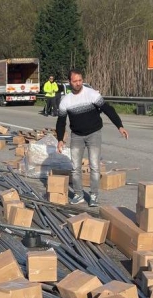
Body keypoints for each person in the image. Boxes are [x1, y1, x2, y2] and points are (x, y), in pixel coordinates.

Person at [56, 68, 129, 207]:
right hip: (77, 136)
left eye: (80, 80)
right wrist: (60, 139)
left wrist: (119, 126)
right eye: (75, 81)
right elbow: (61, 121)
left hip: (94, 134)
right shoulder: (66, 101)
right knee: (75, 167)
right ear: (70, 82)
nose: (78, 83)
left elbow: (108, 109)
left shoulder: (92, 94)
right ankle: (78, 194)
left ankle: (94, 195)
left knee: (94, 166)